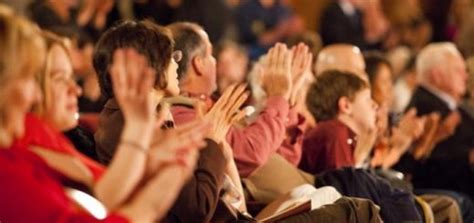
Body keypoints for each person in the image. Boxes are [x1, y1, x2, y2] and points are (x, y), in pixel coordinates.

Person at [0, 6, 200, 222]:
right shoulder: (15, 158)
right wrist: (167, 178)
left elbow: (96, 199)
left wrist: (148, 161)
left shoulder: (43, 140)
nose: (75, 89)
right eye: (58, 78)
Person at [405, 42, 474, 199]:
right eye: (459, 71)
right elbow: (432, 160)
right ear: (437, 75)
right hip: (448, 185)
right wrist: (468, 156)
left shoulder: (450, 104)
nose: (466, 76)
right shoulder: (424, 108)